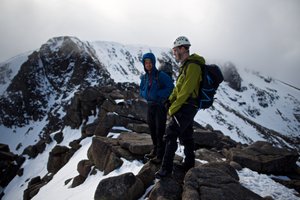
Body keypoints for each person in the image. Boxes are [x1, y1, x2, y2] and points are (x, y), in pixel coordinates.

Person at [155, 36, 205, 179]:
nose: (174, 53)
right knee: (186, 134)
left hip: (188, 105)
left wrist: (173, 108)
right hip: (186, 105)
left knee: (171, 134)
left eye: (175, 50)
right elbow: (179, 88)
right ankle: (189, 164)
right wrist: (170, 100)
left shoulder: (193, 66)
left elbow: (187, 90)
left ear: (183, 48)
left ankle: (166, 170)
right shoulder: (185, 65)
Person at [139, 52, 174, 164]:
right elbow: (141, 89)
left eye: (150, 62)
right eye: (146, 62)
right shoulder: (144, 77)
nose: (148, 64)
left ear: (153, 63)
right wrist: (145, 94)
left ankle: (160, 155)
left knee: (159, 130)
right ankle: (155, 150)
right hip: (150, 105)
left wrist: (159, 94)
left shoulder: (160, 75)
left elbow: (171, 87)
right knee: (152, 129)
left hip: (159, 106)